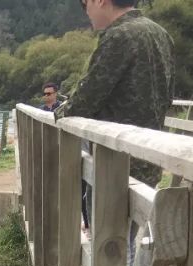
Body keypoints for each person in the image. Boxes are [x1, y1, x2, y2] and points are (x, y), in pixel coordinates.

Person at [57, 0, 174, 188]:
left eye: (85, 4)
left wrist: (61, 111)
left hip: (115, 163)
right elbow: (168, 96)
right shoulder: (161, 34)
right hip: (150, 158)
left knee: (102, 208)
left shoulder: (119, 35)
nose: (86, 11)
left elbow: (84, 101)